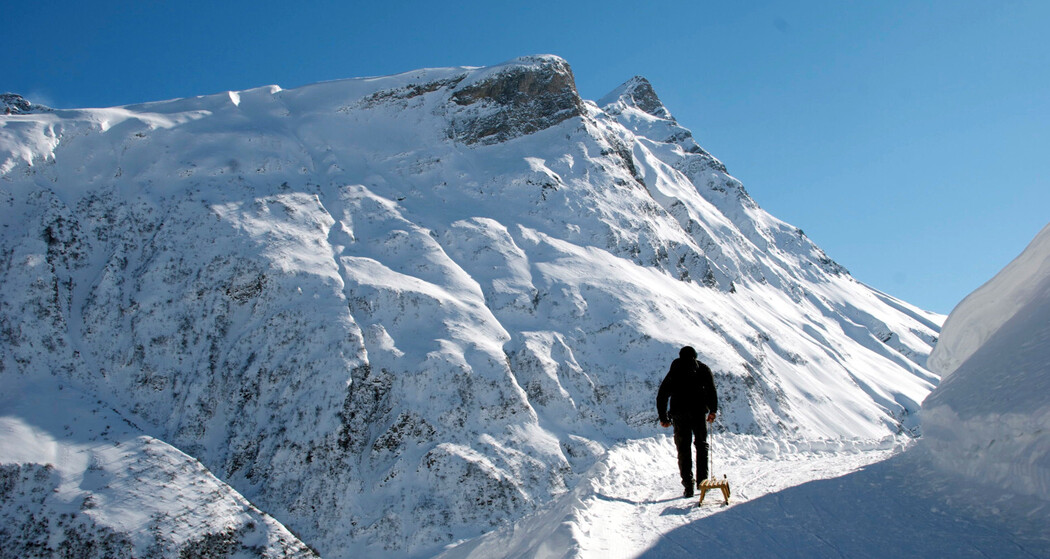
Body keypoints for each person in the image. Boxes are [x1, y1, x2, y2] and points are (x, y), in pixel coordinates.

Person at [657, 346, 718, 498]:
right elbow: (711, 390)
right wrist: (712, 410)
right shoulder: (703, 369)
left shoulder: (675, 371)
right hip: (698, 413)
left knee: (683, 449)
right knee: (701, 445)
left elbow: (662, 395)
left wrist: (663, 417)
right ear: (695, 356)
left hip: (679, 415)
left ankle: (688, 485)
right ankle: (702, 482)